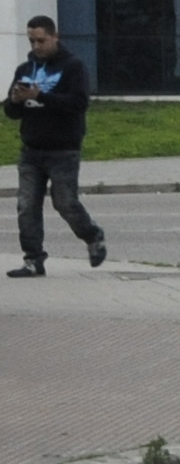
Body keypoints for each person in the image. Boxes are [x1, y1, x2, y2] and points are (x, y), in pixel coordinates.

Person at [8, 14, 105, 276]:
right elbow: (12, 112)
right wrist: (15, 101)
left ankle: (92, 235)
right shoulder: (25, 69)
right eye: (32, 41)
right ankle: (33, 259)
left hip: (63, 149)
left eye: (41, 40)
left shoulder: (73, 67)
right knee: (26, 206)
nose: (36, 46)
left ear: (55, 37)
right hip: (31, 149)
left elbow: (78, 103)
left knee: (65, 203)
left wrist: (41, 95)